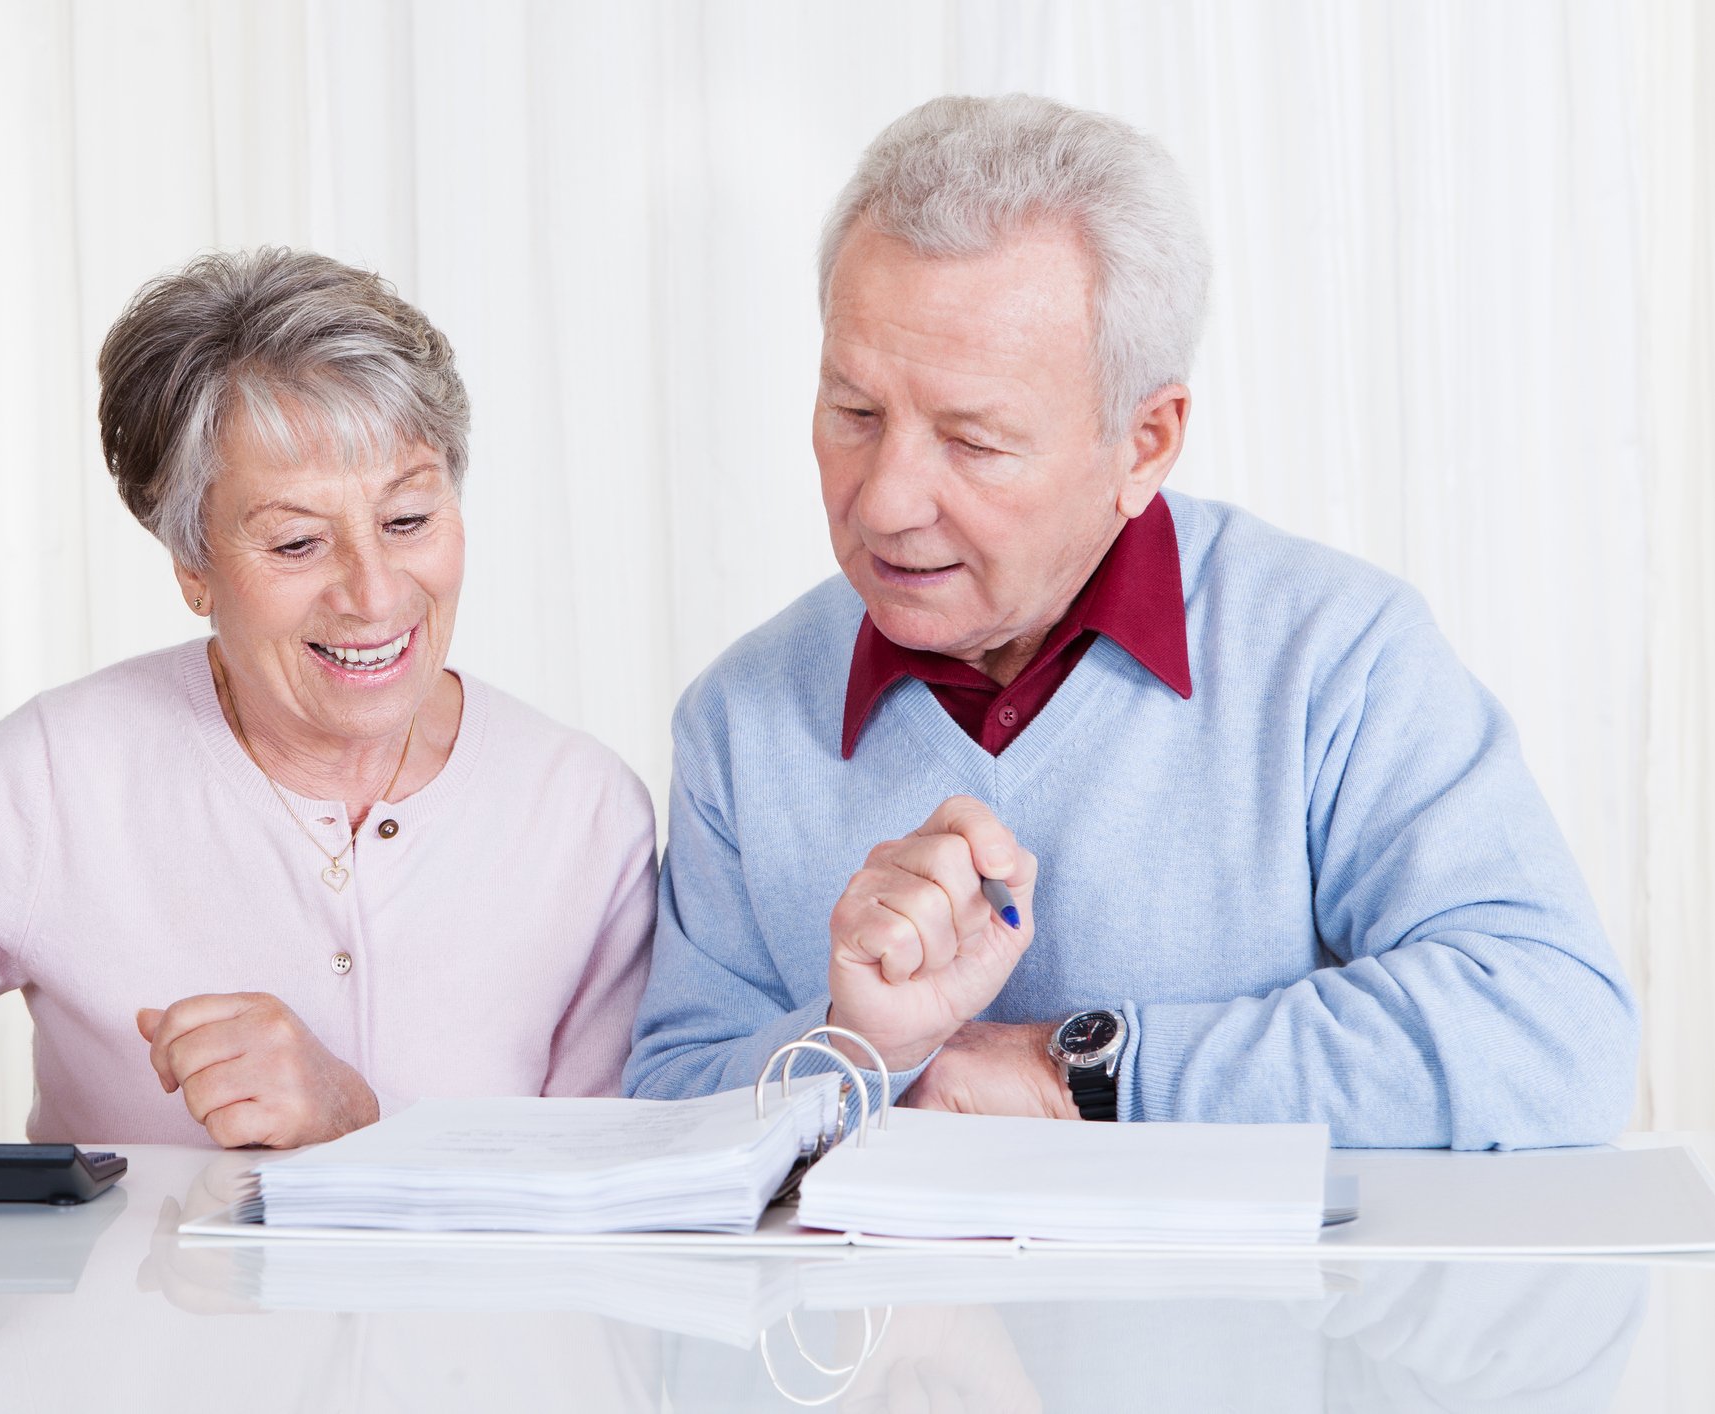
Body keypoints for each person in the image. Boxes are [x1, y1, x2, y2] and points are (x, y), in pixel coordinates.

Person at [624, 94, 1637, 1149]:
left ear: (1145, 442)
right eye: (854, 413)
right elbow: (665, 1105)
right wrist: (856, 1048)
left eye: (971, 439)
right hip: (880, 1322)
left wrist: (1077, 1070)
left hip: (1257, 1321)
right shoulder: (739, 718)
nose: (882, 501)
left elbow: (1553, 1033)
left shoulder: (1336, 658)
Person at [0, 248, 656, 1163]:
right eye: (297, 543)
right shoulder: (63, 775)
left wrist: (359, 1125)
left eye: (408, 519)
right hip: (124, 1363)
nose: (375, 592)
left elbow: (611, 1199)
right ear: (192, 566)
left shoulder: (582, 809)